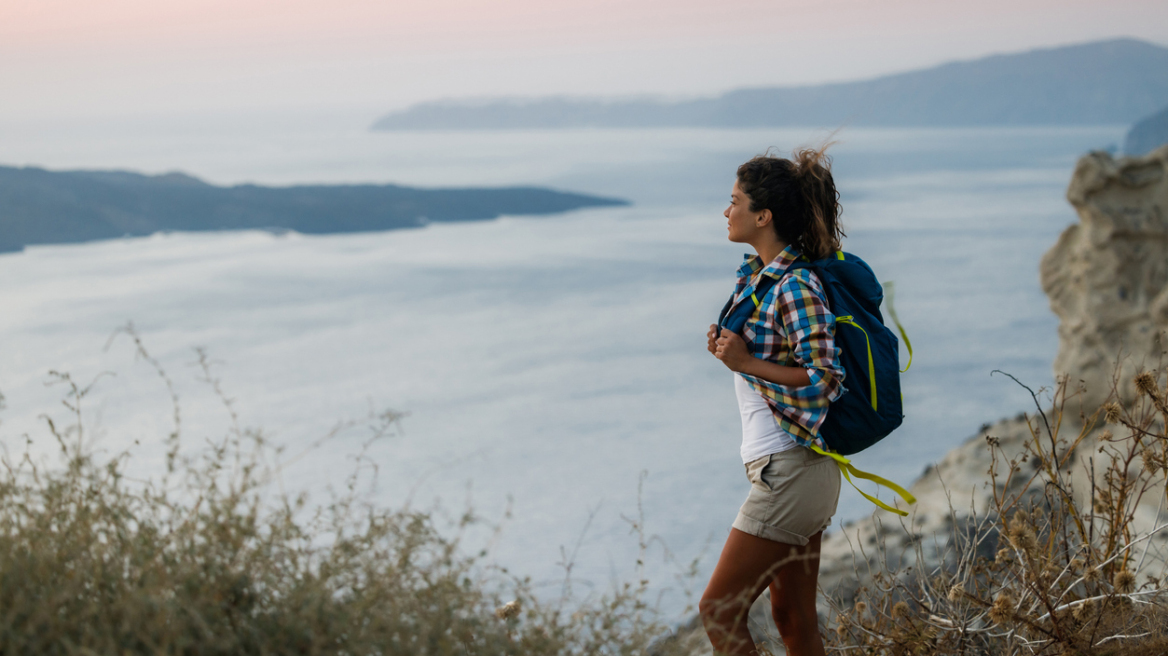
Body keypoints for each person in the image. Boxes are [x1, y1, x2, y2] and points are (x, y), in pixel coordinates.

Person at [699, 146, 846, 656]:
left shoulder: (795, 284)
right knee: (792, 619)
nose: (727, 211)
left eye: (735, 201)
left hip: (790, 471)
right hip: (795, 470)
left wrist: (745, 363)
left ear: (763, 216)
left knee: (718, 610)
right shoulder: (760, 280)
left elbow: (824, 378)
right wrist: (732, 350)